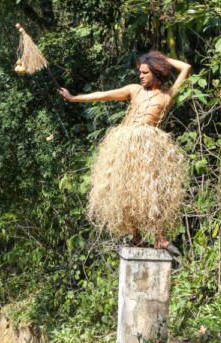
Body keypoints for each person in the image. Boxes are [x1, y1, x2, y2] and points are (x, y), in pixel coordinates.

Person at [58, 51, 192, 254]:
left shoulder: (167, 95)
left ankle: (160, 238)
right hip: (125, 144)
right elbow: (103, 95)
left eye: (145, 72)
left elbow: (186, 68)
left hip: (149, 147)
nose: (141, 76)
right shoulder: (134, 90)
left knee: (153, 191)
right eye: (140, 72)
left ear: (156, 73)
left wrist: (160, 59)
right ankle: (136, 236)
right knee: (127, 191)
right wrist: (74, 98)